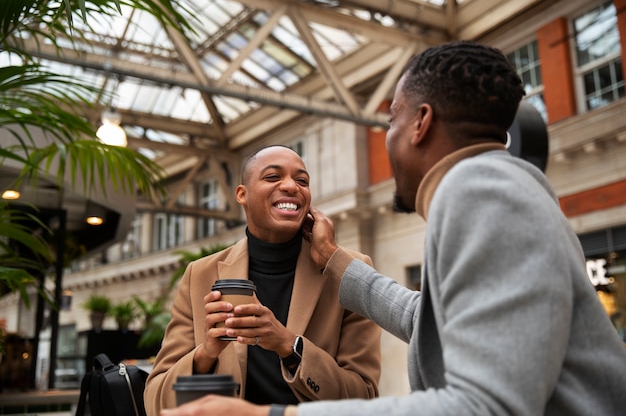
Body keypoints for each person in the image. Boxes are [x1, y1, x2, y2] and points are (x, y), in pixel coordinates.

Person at [159, 41, 626, 416]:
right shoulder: (491, 188)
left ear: (421, 124)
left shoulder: (483, 192)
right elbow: (427, 321)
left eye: (391, 119)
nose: (388, 136)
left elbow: (487, 404)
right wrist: (333, 260)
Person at [144, 145, 381, 415]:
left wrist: (287, 345)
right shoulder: (200, 275)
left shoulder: (347, 272)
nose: (291, 186)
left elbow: (364, 398)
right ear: (242, 194)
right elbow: (155, 402)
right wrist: (206, 353)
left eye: (302, 180)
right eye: (272, 177)